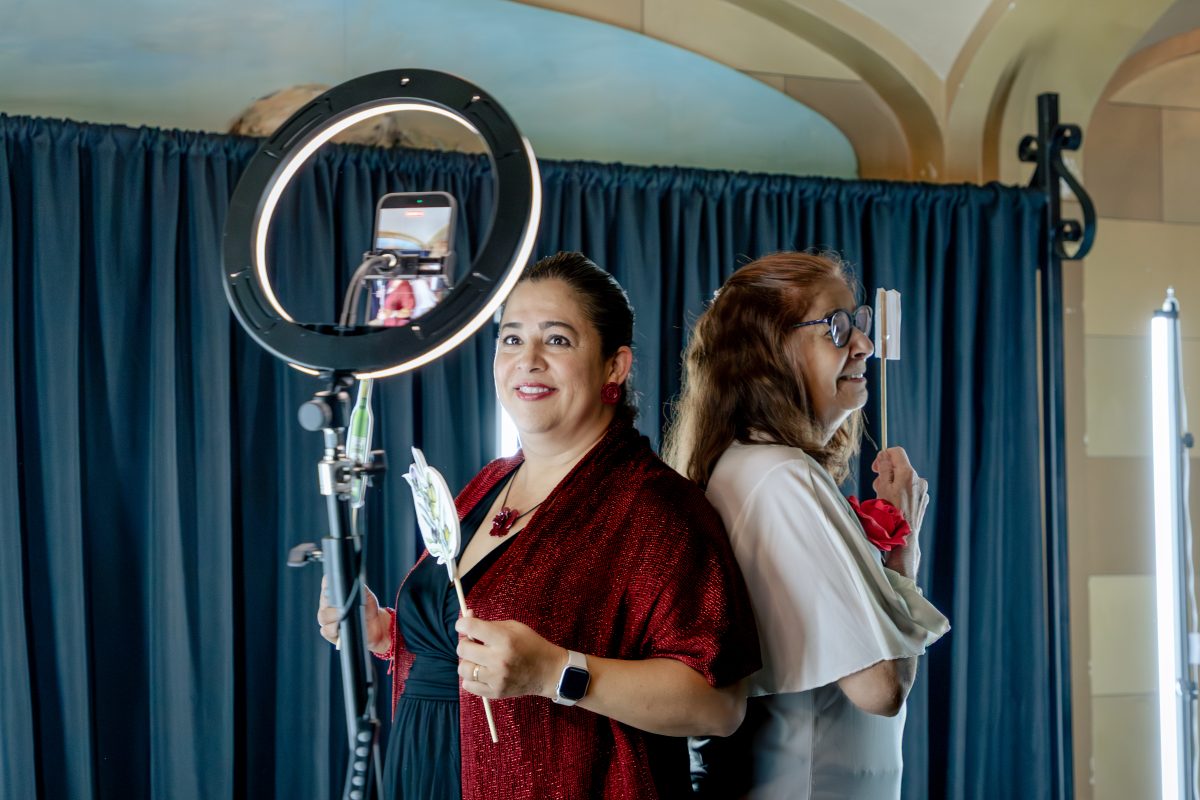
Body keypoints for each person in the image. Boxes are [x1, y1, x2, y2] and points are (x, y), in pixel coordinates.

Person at [318, 251, 760, 799]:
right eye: (511, 339)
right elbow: (461, 648)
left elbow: (719, 705)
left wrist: (555, 672)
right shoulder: (489, 482)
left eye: (557, 340)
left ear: (615, 366)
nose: (527, 360)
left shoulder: (656, 507)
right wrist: (385, 632)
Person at [664, 251, 950, 799]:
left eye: (858, 321)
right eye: (836, 327)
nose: (863, 344)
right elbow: (881, 687)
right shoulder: (781, 474)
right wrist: (903, 553)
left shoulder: (750, 465)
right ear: (767, 353)